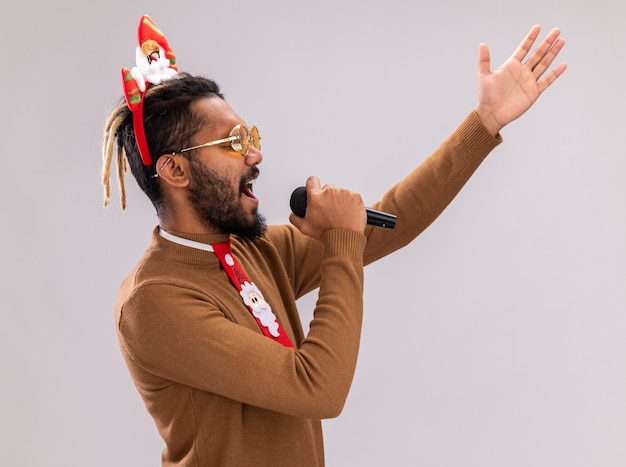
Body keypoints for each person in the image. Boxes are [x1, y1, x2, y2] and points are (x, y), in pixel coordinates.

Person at [102, 15, 566, 467]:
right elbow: (318, 388)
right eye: (234, 142)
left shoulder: (250, 249)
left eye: (251, 136)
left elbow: (391, 222)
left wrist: (484, 123)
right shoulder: (154, 301)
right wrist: (343, 237)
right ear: (175, 170)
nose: (256, 154)